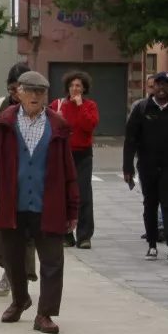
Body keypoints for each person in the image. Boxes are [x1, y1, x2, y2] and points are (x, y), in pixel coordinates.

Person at [0, 71, 79, 334]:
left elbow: (69, 172)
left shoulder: (58, 125)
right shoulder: (4, 123)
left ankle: (45, 314)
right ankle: (20, 299)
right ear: (18, 93)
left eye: (40, 92)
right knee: (11, 258)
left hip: (49, 205)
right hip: (12, 205)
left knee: (52, 261)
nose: (35, 96)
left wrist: (72, 209)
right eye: (30, 91)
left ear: (46, 95)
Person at [123, 71, 168, 264]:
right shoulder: (141, 109)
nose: (161, 88)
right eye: (158, 84)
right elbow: (130, 140)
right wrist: (127, 168)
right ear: (153, 87)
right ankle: (152, 245)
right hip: (147, 165)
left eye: (166, 84)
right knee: (150, 204)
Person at [0, 63, 34, 297]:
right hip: (4, 180)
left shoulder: (39, 110)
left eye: (20, 88)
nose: (17, 94)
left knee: (26, 232)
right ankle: (7, 269)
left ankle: (20, 275)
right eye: (12, 89)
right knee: (1, 231)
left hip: (30, 180)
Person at [53, 71, 101, 248]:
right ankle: (66, 234)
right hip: (63, 153)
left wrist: (80, 107)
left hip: (83, 154)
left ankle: (84, 235)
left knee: (83, 193)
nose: (74, 88)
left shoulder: (90, 105)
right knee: (64, 193)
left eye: (78, 86)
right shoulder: (58, 104)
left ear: (84, 88)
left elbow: (89, 126)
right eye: (72, 85)